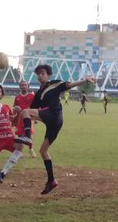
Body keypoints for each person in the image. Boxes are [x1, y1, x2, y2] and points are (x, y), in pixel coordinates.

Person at [19, 64, 94, 194]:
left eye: (43, 73)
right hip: (54, 122)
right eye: (38, 74)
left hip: (53, 114)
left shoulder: (54, 84)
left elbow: (69, 85)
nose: (40, 75)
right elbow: (31, 111)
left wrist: (85, 80)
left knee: (25, 112)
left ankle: (27, 137)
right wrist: (17, 114)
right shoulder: (39, 93)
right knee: (43, 151)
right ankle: (51, 181)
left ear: (48, 75)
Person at [13, 80, 36, 157]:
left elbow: (35, 106)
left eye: (25, 85)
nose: (24, 86)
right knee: (20, 135)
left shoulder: (31, 96)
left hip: (28, 118)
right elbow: (14, 107)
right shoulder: (17, 97)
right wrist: (15, 109)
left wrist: (35, 117)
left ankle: (31, 149)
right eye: (22, 85)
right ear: (20, 86)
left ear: (28, 86)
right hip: (19, 118)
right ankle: (20, 151)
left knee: (29, 134)